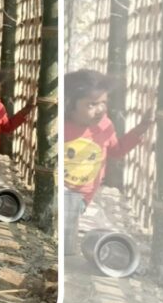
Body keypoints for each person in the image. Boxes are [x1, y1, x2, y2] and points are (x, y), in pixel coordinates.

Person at [62, 70, 153, 209]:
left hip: (82, 196)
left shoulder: (104, 125)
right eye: (91, 105)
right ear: (69, 106)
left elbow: (116, 151)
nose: (100, 109)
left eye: (103, 103)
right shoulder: (62, 126)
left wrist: (141, 128)